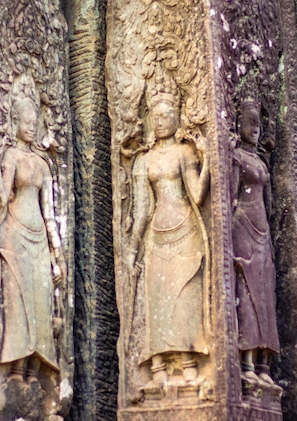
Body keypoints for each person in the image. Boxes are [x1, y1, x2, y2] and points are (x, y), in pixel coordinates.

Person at [126, 92, 209, 391]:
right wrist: (132, 249)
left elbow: (197, 195)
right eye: (156, 117)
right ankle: (158, 365)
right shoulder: (143, 161)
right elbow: (142, 211)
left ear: (177, 119)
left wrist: (208, 157)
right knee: (157, 301)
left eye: (167, 116)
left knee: (185, 298)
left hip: (186, 230)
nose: (161, 122)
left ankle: (189, 362)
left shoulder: (184, 153)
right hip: (157, 237)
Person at [0, 97, 65, 384]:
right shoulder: (11, 157)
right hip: (14, 235)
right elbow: (1, 198)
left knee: (40, 303)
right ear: (16, 124)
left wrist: (57, 255)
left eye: (34, 123)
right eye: (26, 123)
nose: (31, 128)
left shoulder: (42, 164)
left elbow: (49, 213)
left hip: (38, 240)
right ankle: (15, 367)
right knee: (17, 302)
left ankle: (35, 369)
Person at [231, 101, 280, 385]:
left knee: (264, 297)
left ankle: (265, 364)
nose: (255, 129)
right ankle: (246, 364)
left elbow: (269, 204)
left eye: (257, 124)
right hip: (242, 227)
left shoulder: (260, 162)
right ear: (238, 125)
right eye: (250, 122)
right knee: (246, 293)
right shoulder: (237, 158)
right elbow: (229, 197)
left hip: (262, 231)